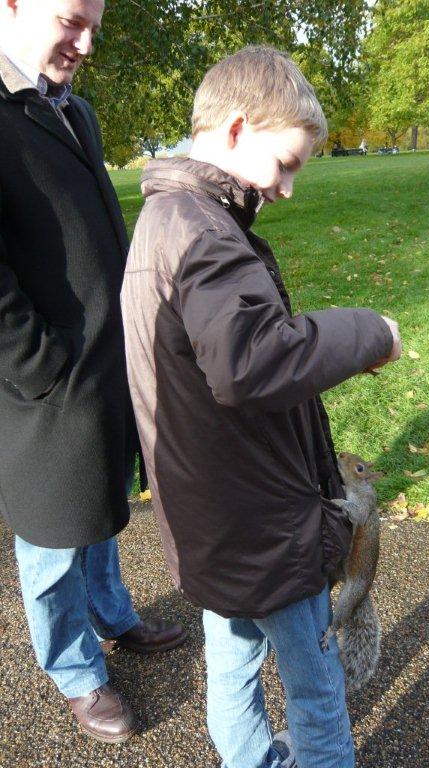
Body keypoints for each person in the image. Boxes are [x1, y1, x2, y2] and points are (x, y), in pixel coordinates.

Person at [122, 46, 402, 768]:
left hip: (214, 521)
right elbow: (253, 363)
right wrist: (369, 332)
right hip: (265, 528)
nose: (288, 188)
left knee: (232, 665)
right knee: (317, 692)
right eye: (285, 163)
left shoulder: (166, 218)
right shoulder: (205, 237)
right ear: (239, 128)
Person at [0, 0, 187, 744]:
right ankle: (75, 672)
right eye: (71, 20)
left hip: (106, 360)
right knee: (52, 534)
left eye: (94, 29)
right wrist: (40, 367)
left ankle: (113, 615)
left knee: (100, 502)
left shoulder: (73, 108)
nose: (84, 43)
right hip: (45, 383)